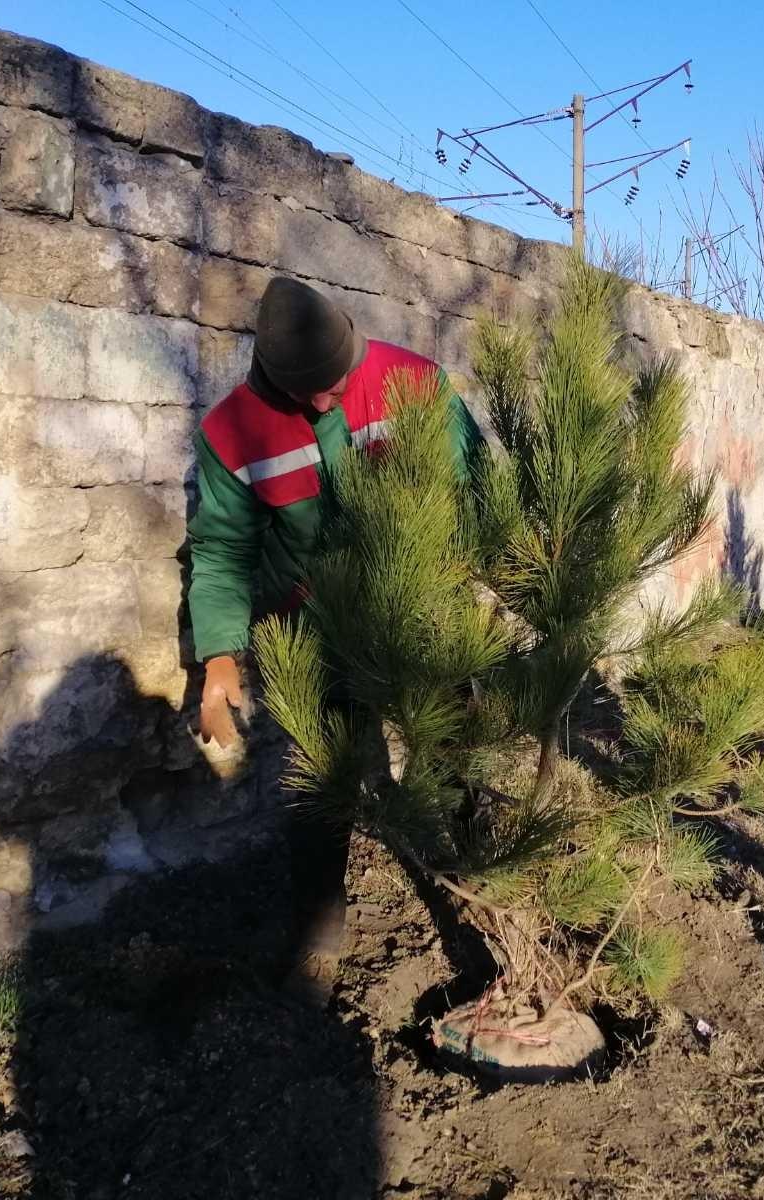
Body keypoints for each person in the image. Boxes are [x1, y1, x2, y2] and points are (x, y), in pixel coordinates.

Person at [187, 276, 482, 997]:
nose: (327, 401)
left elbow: (476, 486)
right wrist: (218, 655)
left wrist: (488, 577)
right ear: (269, 374)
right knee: (319, 783)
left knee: (457, 756)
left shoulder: (412, 382)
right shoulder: (233, 430)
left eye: (337, 384)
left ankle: (478, 898)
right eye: (307, 393)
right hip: (312, 625)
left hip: (423, 613)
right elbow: (222, 549)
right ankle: (319, 929)